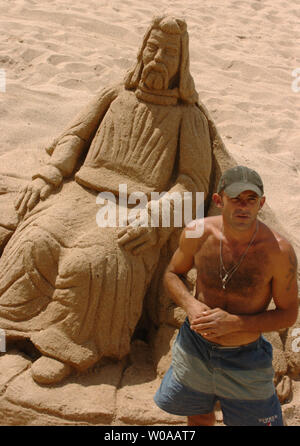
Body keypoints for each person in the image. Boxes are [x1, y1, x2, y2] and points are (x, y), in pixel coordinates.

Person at [0, 16, 218, 384]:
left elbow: (193, 182)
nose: (157, 59)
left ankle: (67, 349)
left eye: (168, 53)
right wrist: (50, 174)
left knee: (95, 262)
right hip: (81, 193)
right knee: (33, 242)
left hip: (137, 208)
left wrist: (157, 217)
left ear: (181, 63)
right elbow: (75, 136)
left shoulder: (188, 117)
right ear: (141, 49)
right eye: (152, 48)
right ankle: (10, 330)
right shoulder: (116, 94)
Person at [154, 165, 298, 426]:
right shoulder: (197, 232)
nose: (244, 206)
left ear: (261, 203)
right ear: (219, 201)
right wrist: (191, 304)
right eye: (235, 199)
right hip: (194, 348)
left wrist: (236, 323)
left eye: (251, 199)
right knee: (198, 418)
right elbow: (172, 274)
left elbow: (289, 313)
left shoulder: (278, 251)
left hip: (245, 357)